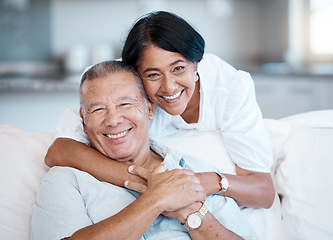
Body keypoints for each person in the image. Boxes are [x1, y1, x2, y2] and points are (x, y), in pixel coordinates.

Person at [45, 11, 275, 209]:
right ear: (136, 74)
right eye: (153, 74)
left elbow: (264, 190)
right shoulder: (121, 83)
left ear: (196, 64)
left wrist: (208, 181)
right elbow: (59, 150)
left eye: (178, 68)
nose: (169, 87)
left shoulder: (231, 88)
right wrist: (151, 185)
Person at [31, 60, 258, 240]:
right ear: (83, 120)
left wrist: (191, 213)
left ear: (149, 109)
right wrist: (155, 200)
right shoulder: (64, 180)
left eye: (125, 104)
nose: (113, 120)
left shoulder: (193, 170)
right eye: (98, 109)